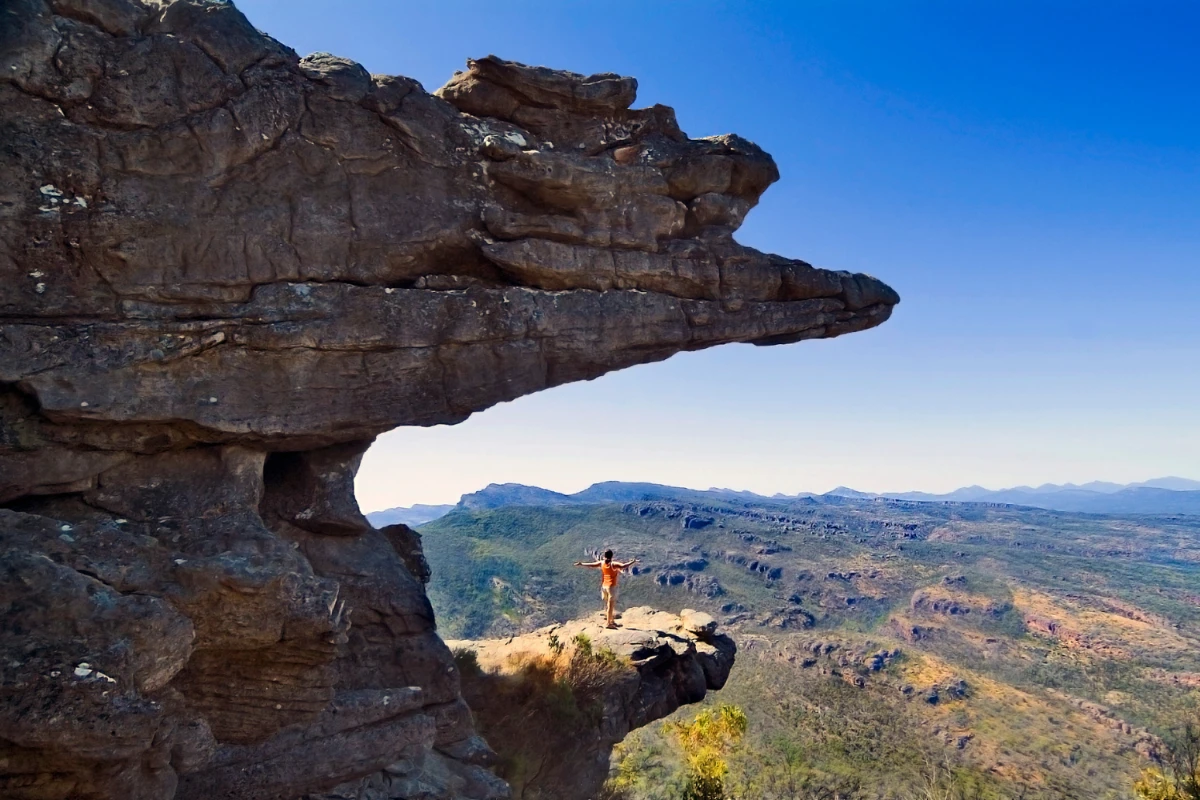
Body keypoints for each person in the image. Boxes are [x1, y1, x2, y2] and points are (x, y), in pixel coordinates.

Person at [574, 549, 638, 628]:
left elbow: (592, 565)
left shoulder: (602, 563)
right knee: (610, 606)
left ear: (604, 556)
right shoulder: (613, 564)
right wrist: (633, 562)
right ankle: (608, 623)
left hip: (604, 586)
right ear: (612, 556)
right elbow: (623, 566)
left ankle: (611, 621)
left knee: (607, 605)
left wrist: (581, 564)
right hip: (611, 587)